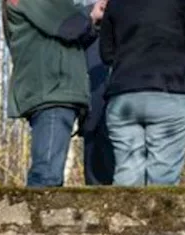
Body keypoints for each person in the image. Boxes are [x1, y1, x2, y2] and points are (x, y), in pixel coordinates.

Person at [100, 0, 185, 186]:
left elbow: (106, 52)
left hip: (125, 92)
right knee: (163, 177)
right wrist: (181, 64)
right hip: (170, 87)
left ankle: (123, 213)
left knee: (127, 173)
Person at [4, 0, 103, 187]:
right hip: (52, 89)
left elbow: (78, 31)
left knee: (49, 173)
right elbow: (71, 25)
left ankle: (38, 213)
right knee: (47, 175)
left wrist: (92, 20)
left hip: (54, 89)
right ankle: (35, 215)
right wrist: (90, 16)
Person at [80, 0, 114, 185]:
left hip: (127, 107)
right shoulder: (87, 14)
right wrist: (92, 20)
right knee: (95, 180)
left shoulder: (137, 12)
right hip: (94, 107)